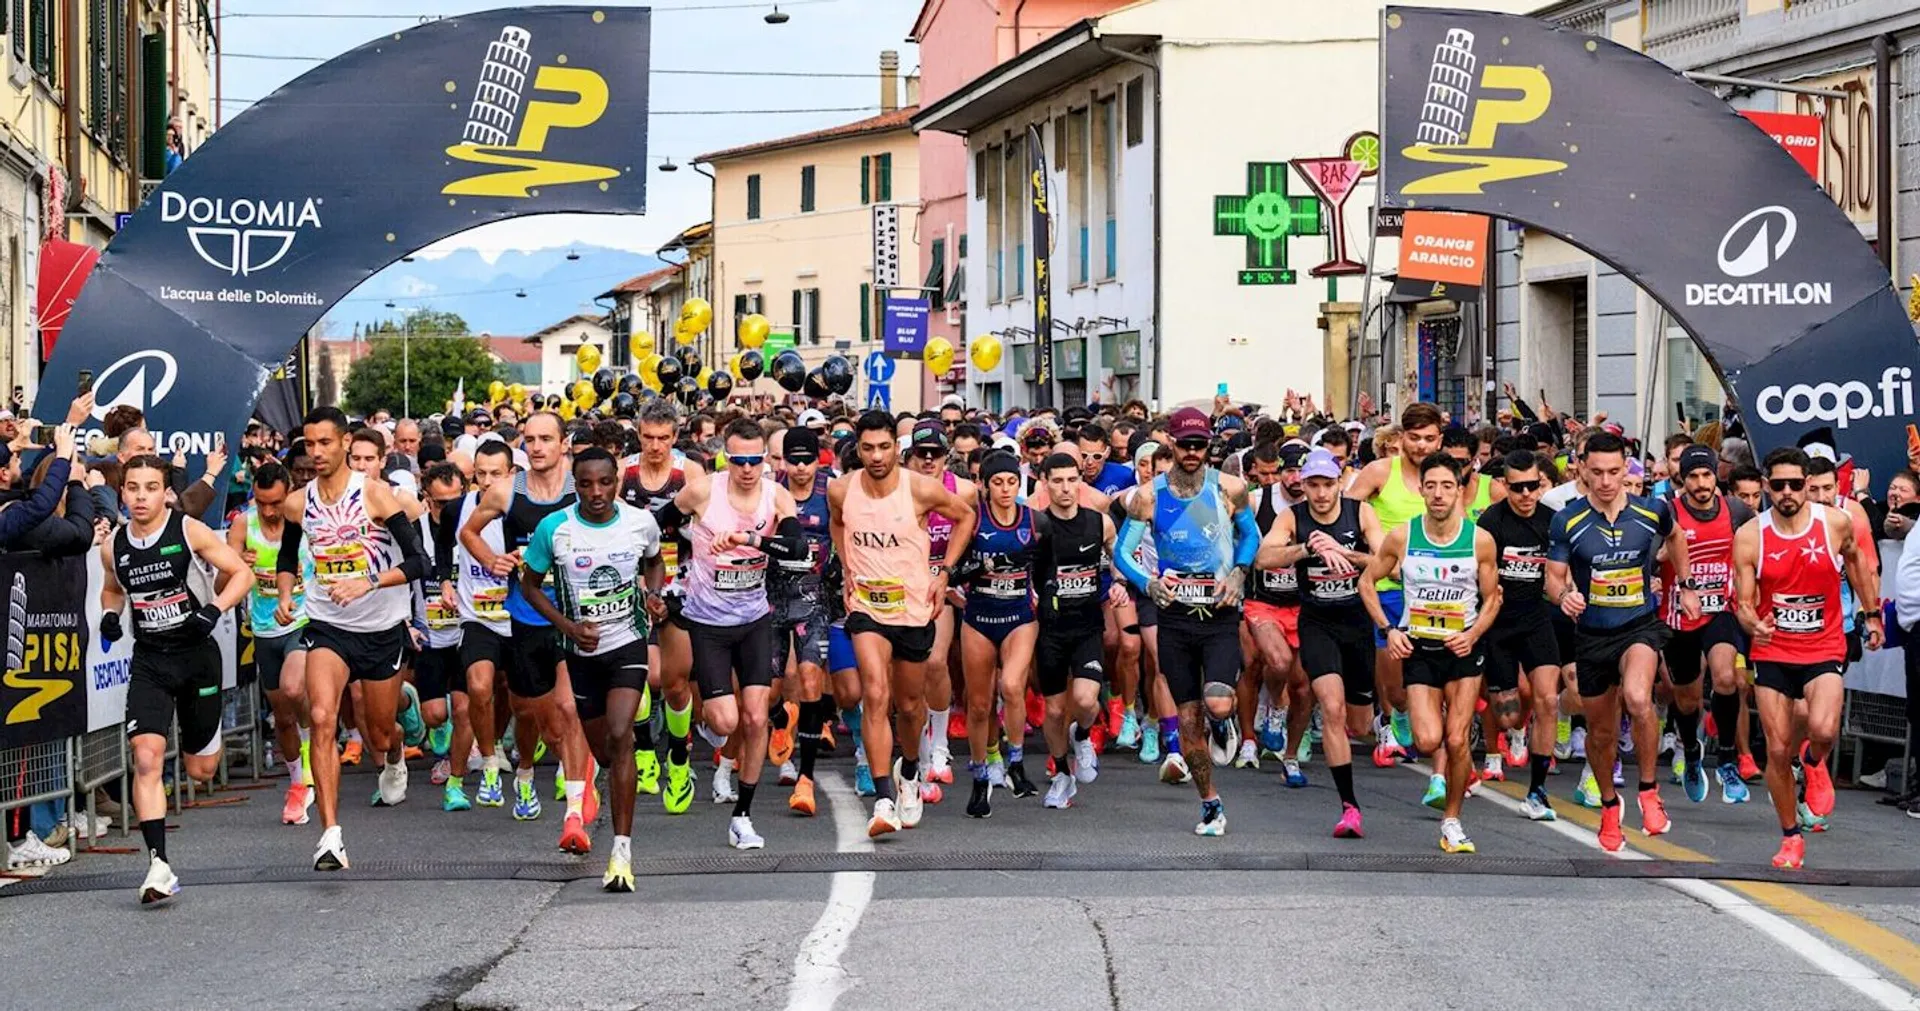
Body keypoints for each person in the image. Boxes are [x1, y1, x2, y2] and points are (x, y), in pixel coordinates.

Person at [100, 455, 251, 902]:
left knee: (200, 770)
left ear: (165, 492)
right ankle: (158, 865)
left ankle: (208, 729)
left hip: (198, 657)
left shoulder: (188, 531)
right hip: (151, 661)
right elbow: (112, 586)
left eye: (150, 488)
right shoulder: (114, 546)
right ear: (122, 492)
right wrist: (112, 615)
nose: (140, 497)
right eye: (132, 488)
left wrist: (213, 610)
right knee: (146, 757)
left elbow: (241, 573)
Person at [1545, 431, 1700, 853]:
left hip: (1638, 625)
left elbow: (1677, 538)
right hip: (1593, 633)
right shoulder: (1568, 520)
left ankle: (1649, 792)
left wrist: (1684, 586)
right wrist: (1565, 596)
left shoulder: (1652, 511)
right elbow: (1552, 579)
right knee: (1600, 732)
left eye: (1615, 472)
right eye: (1596, 472)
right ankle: (1610, 806)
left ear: (1627, 470)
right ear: (1581, 469)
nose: (1607, 481)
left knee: (1637, 697)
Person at [520, 448, 665, 888]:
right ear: (575, 485)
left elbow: (654, 560)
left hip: (627, 642)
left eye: (605, 483)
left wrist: (653, 595)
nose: (596, 493)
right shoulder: (555, 529)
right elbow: (529, 585)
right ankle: (610, 780)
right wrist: (567, 626)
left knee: (622, 734)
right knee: (604, 751)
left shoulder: (639, 522)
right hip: (580, 652)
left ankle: (621, 852)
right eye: (586, 484)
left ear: (617, 481)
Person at [828, 411, 976, 837]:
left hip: (912, 609)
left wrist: (944, 573)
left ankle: (909, 771)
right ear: (858, 449)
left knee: (910, 707)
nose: (876, 456)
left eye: (885, 447)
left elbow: (965, 517)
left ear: (897, 447)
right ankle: (883, 800)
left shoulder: (921, 489)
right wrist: (848, 567)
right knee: (875, 693)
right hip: (866, 607)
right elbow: (839, 525)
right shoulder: (841, 490)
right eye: (868, 448)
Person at [1731, 447, 1880, 869]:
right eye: (1778, 485)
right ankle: (1791, 836)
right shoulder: (1751, 536)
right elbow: (1743, 601)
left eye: (1796, 484)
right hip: (1774, 649)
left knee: (1823, 728)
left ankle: (1813, 760)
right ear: (1766, 486)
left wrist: (1870, 615)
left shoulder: (1834, 523)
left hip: (1823, 644)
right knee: (1776, 750)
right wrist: (1751, 623)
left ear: (1806, 484)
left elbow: (1858, 564)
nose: (1788, 493)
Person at [1114, 407, 1258, 836]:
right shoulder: (1148, 496)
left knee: (1216, 699)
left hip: (1219, 613)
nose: (1193, 452)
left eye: (1201, 445)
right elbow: (1122, 551)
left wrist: (1239, 571)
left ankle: (1224, 720)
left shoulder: (1231, 488)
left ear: (1209, 446)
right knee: (1189, 718)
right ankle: (1210, 803)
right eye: (1186, 445)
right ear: (1171, 445)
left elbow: (1250, 535)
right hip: (1174, 616)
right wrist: (1147, 583)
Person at [458, 411, 597, 852]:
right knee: (543, 720)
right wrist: (491, 560)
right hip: (527, 616)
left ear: (563, 444)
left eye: (546, 439)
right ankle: (559, 773)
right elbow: (468, 531)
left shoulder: (583, 490)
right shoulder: (505, 492)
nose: (537, 447)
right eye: (530, 439)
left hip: (576, 617)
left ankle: (574, 812)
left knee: (569, 710)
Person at [669, 418, 810, 849]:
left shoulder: (776, 495)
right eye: (738, 461)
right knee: (725, 720)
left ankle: (742, 816)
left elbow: (797, 550)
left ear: (766, 461)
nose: (747, 469)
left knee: (754, 716)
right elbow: (662, 526)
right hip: (708, 622)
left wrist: (749, 538)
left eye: (755, 461)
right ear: (725, 459)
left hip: (754, 619)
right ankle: (705, 733)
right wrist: (676, 574)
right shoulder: (702, 491)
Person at [1361, 454, 1501, 855]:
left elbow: (1493, 599)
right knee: (1427, 741)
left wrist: (1473, 634)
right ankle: (1424, 725)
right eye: (1431, 486)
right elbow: (1366, 582)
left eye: (1447, 486)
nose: (1439, 494)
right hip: (1420, 647)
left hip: (1462, 648)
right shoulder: (1402, 537)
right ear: (1420, 490)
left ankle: (1452, 821)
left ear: (1460, 491)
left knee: (1456, 740)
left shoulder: (1480, 540)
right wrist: (1389, 631)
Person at [1257, 448, 1384, 837]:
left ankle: (1344, 740)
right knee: (1331, 708)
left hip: (1356, 622)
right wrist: (1307, 549)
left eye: (1328, 484)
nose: (1321, 493)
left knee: (1359, 723)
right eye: (1313, 485)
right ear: (1304, 486)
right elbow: (1263, 558)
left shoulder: (1358, 512)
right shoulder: (1292, 516)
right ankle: (1349, 807)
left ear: (1340, 482)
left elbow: (1385, 559)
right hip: (1317, 623)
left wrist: (1345, 554)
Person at [1345, 403, 1447, 766]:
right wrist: (1369, 551)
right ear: (1401, 437)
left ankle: (1442, 752)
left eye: (1429, 439)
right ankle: (1396, 713)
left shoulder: (1447, 475)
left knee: (1437, 673)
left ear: (1440, 440)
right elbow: (1344, 514)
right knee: (1394, 684)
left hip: (1435, 591)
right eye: (1415, 438)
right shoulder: (1379, 471)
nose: (1421, 446)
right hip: (1388, 588)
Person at [621, 399, 704, 813]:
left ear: (675, 437)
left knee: (673, 682)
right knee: (639, 676)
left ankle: (678, 755)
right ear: (639, 435)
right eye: (648, 438)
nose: (655, 446)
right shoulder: (625, 473)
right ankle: (643, 753)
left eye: (663, 438)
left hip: (680, 584)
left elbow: (707, 527)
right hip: (632, 585)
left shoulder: (688, 473)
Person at [1659, 445, 1754, 806]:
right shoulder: (1667, 511)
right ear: (1682, 478)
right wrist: (1669, 551)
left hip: (1721, 609)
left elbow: (1755, 547)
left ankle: (1727, 759)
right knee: (1687, 699)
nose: (1701, 483)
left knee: (1727, 677)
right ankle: (1691, 751)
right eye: (1694, 476)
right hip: (1679, 615)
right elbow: (1652, 559)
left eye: (1707, 475)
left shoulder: (1736, 510)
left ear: (1717, 476)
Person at [1475, 450, 1564, 819]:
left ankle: (1538, 790)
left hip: (1537, 617)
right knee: (1508, 715)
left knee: (1547, 701)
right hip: (1498, 621)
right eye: (1518, 488)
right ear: (1505, 487)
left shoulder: (1554, 521)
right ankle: (1503, 732)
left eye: (1534, 486)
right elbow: (1482, 581)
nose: (1527, 495)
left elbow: (1565, 569)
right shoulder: (1491, 522)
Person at [1030, 452, 1120, 810]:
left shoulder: (1100, 524)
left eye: (1072, 480)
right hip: (1049, 629)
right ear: (1045, 483)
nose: (1066, 489)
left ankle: (1081, 733)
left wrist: (1119, 583)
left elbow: (1120, 559)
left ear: (1080, 482)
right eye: (1058, 481)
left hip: (1086, 625)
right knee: (1052, 711)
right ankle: (1063, 775)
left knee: (1084, 700)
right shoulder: (1036, 526)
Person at [228, 461, 314, 826]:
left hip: (304, 619)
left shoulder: (305, 517)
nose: (268, 511)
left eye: (275, 502)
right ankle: (298, 782)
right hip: (264, 629)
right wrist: (237, 566)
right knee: (281, 716)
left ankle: (313, 761)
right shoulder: (242, 525)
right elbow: (222, 586)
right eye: (261, 503)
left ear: (288, 494)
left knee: (296, 690)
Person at [954, 451, 1039, 816]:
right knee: (979, 704)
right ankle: (980, 777)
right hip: (979, 616)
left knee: (1012, 686)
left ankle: (1016, 761)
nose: (1005, 490)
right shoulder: (973, 521)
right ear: (985, 486)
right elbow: (952, 570)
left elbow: (1050, 562)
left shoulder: (1034, 521)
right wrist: (979, 566)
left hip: (1019, 615)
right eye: (998, 483)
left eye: (1011, 482)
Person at [769, 426, 837, 816]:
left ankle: (805, 779)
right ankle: (783, 718)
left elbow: (845, 533)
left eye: (806, 460)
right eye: (791, 460)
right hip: (772, 601)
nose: (799, 468)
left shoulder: (832, 493)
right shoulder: (770, 491)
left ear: (818, 460)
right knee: (769, 695)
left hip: (814, 601)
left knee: (812, 680)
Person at [903, 420, 972, 797]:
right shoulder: (898, 489)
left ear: (947, 456)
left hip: (940, 585)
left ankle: (941, 744)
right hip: (900, 586)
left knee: (934, 662)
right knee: (908, 673)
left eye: (936, 454)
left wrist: (954, 574)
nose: (928, 460)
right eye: (921, 453)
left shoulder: (964, 491)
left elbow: (976, 531)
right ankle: (921, 750)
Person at [449, 440, 516, 809]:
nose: (487, 482)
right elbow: (443, 545)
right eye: (481, 473)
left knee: (512, 691)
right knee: (479, 686)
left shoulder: (519, 511)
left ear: (510, 475)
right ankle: (489, 761)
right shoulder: (461, 509)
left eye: (496, 474)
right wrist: (445, 579)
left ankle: (505, 744)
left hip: (518, 618)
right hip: (477, 618)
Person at [1241, 441, 1312, 786]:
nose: (1296, 478)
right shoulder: (1258, 500)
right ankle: (1272, 711)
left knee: (1303, 685)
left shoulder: (1322, 502)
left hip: (1305, 604)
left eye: (1303, 472)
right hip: (1263, 599)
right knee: (1275, 663)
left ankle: (1292, 756)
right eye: (1290, 470)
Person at [414, 464, 474, 810]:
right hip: (430, 636)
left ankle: (456, 779)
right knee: (436, 714)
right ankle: (436, 731)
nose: (449, 511)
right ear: (427, 500)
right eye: (440, 504)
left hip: (467, 631)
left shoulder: (476, 527)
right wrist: (408, 623)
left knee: (464, 708)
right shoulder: (414, 531)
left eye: (456, 501)